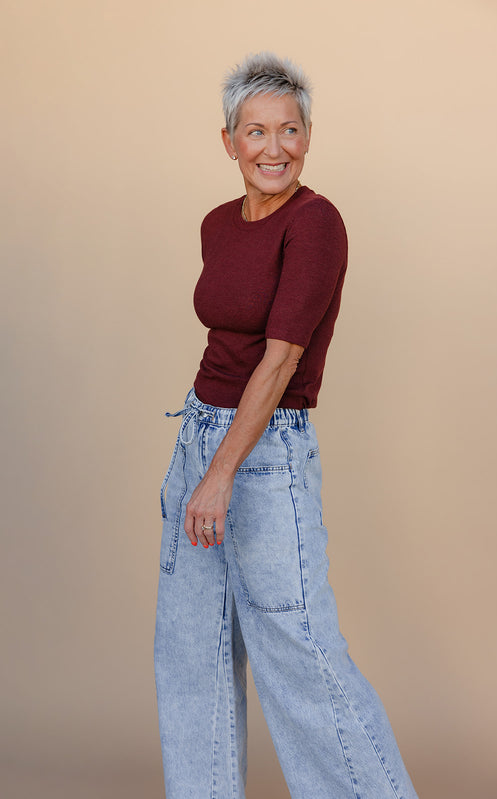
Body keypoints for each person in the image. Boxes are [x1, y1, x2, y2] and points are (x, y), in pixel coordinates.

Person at [154, 52, 418, 799]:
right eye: (255, 131)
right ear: (228, 140)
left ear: (308, 136)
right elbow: (225, 340)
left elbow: (278, 360)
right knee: (189, 651)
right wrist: (196, 462)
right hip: (199, 433)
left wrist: (219, 475)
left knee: (299, 653)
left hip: (263, 454)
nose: (274, 148)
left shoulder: (316, 223)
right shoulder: (217, 223)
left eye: (290, 131)